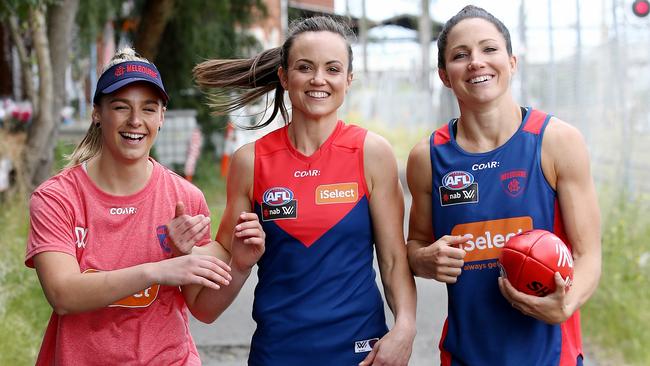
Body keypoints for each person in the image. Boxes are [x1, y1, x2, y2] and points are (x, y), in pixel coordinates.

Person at [192, 16, 417, 366]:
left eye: (332, 68)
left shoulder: (372, 153)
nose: (319, 79)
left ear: (348, 80)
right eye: (305, 67)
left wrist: (404, 328)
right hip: (278, 353)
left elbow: (392, 260)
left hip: (360, 353)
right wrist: (215, 256)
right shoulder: (250, 162)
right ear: (284, 77)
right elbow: (208, 306)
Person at [25, 47, 264, 365]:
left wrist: (240, 265)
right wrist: (159, 270)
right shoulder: (56, 198)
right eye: (121, 107)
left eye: (149, 109)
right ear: (97, 112)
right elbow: (63, 295)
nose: (135, 121)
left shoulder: (184, 198)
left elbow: (204, 310)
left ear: (162, 116)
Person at [405, 5, 601, 366]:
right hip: (465, 355)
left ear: (512, 62)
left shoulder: (557, 141)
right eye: (460, 55)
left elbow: (588, 254)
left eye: (489, 49)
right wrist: (424, 259)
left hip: (550, 356)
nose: (476, 62)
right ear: (444, 75)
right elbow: (415, 246)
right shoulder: (427, 157)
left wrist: (567, 303)